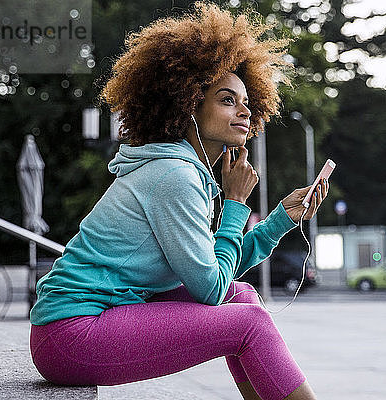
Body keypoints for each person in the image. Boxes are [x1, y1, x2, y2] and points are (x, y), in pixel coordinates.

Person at [29, 2, 329, 399]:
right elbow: (209, 288)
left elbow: (215, 271)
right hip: (71, 333)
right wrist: (236, 204)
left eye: (246, 100)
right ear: (190, 104)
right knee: (249, 322)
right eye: (227, 99)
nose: (245, 110)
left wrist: (280, 220)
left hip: (101, 317)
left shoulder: (190, 172)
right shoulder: (175, 176)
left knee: (242, 297)